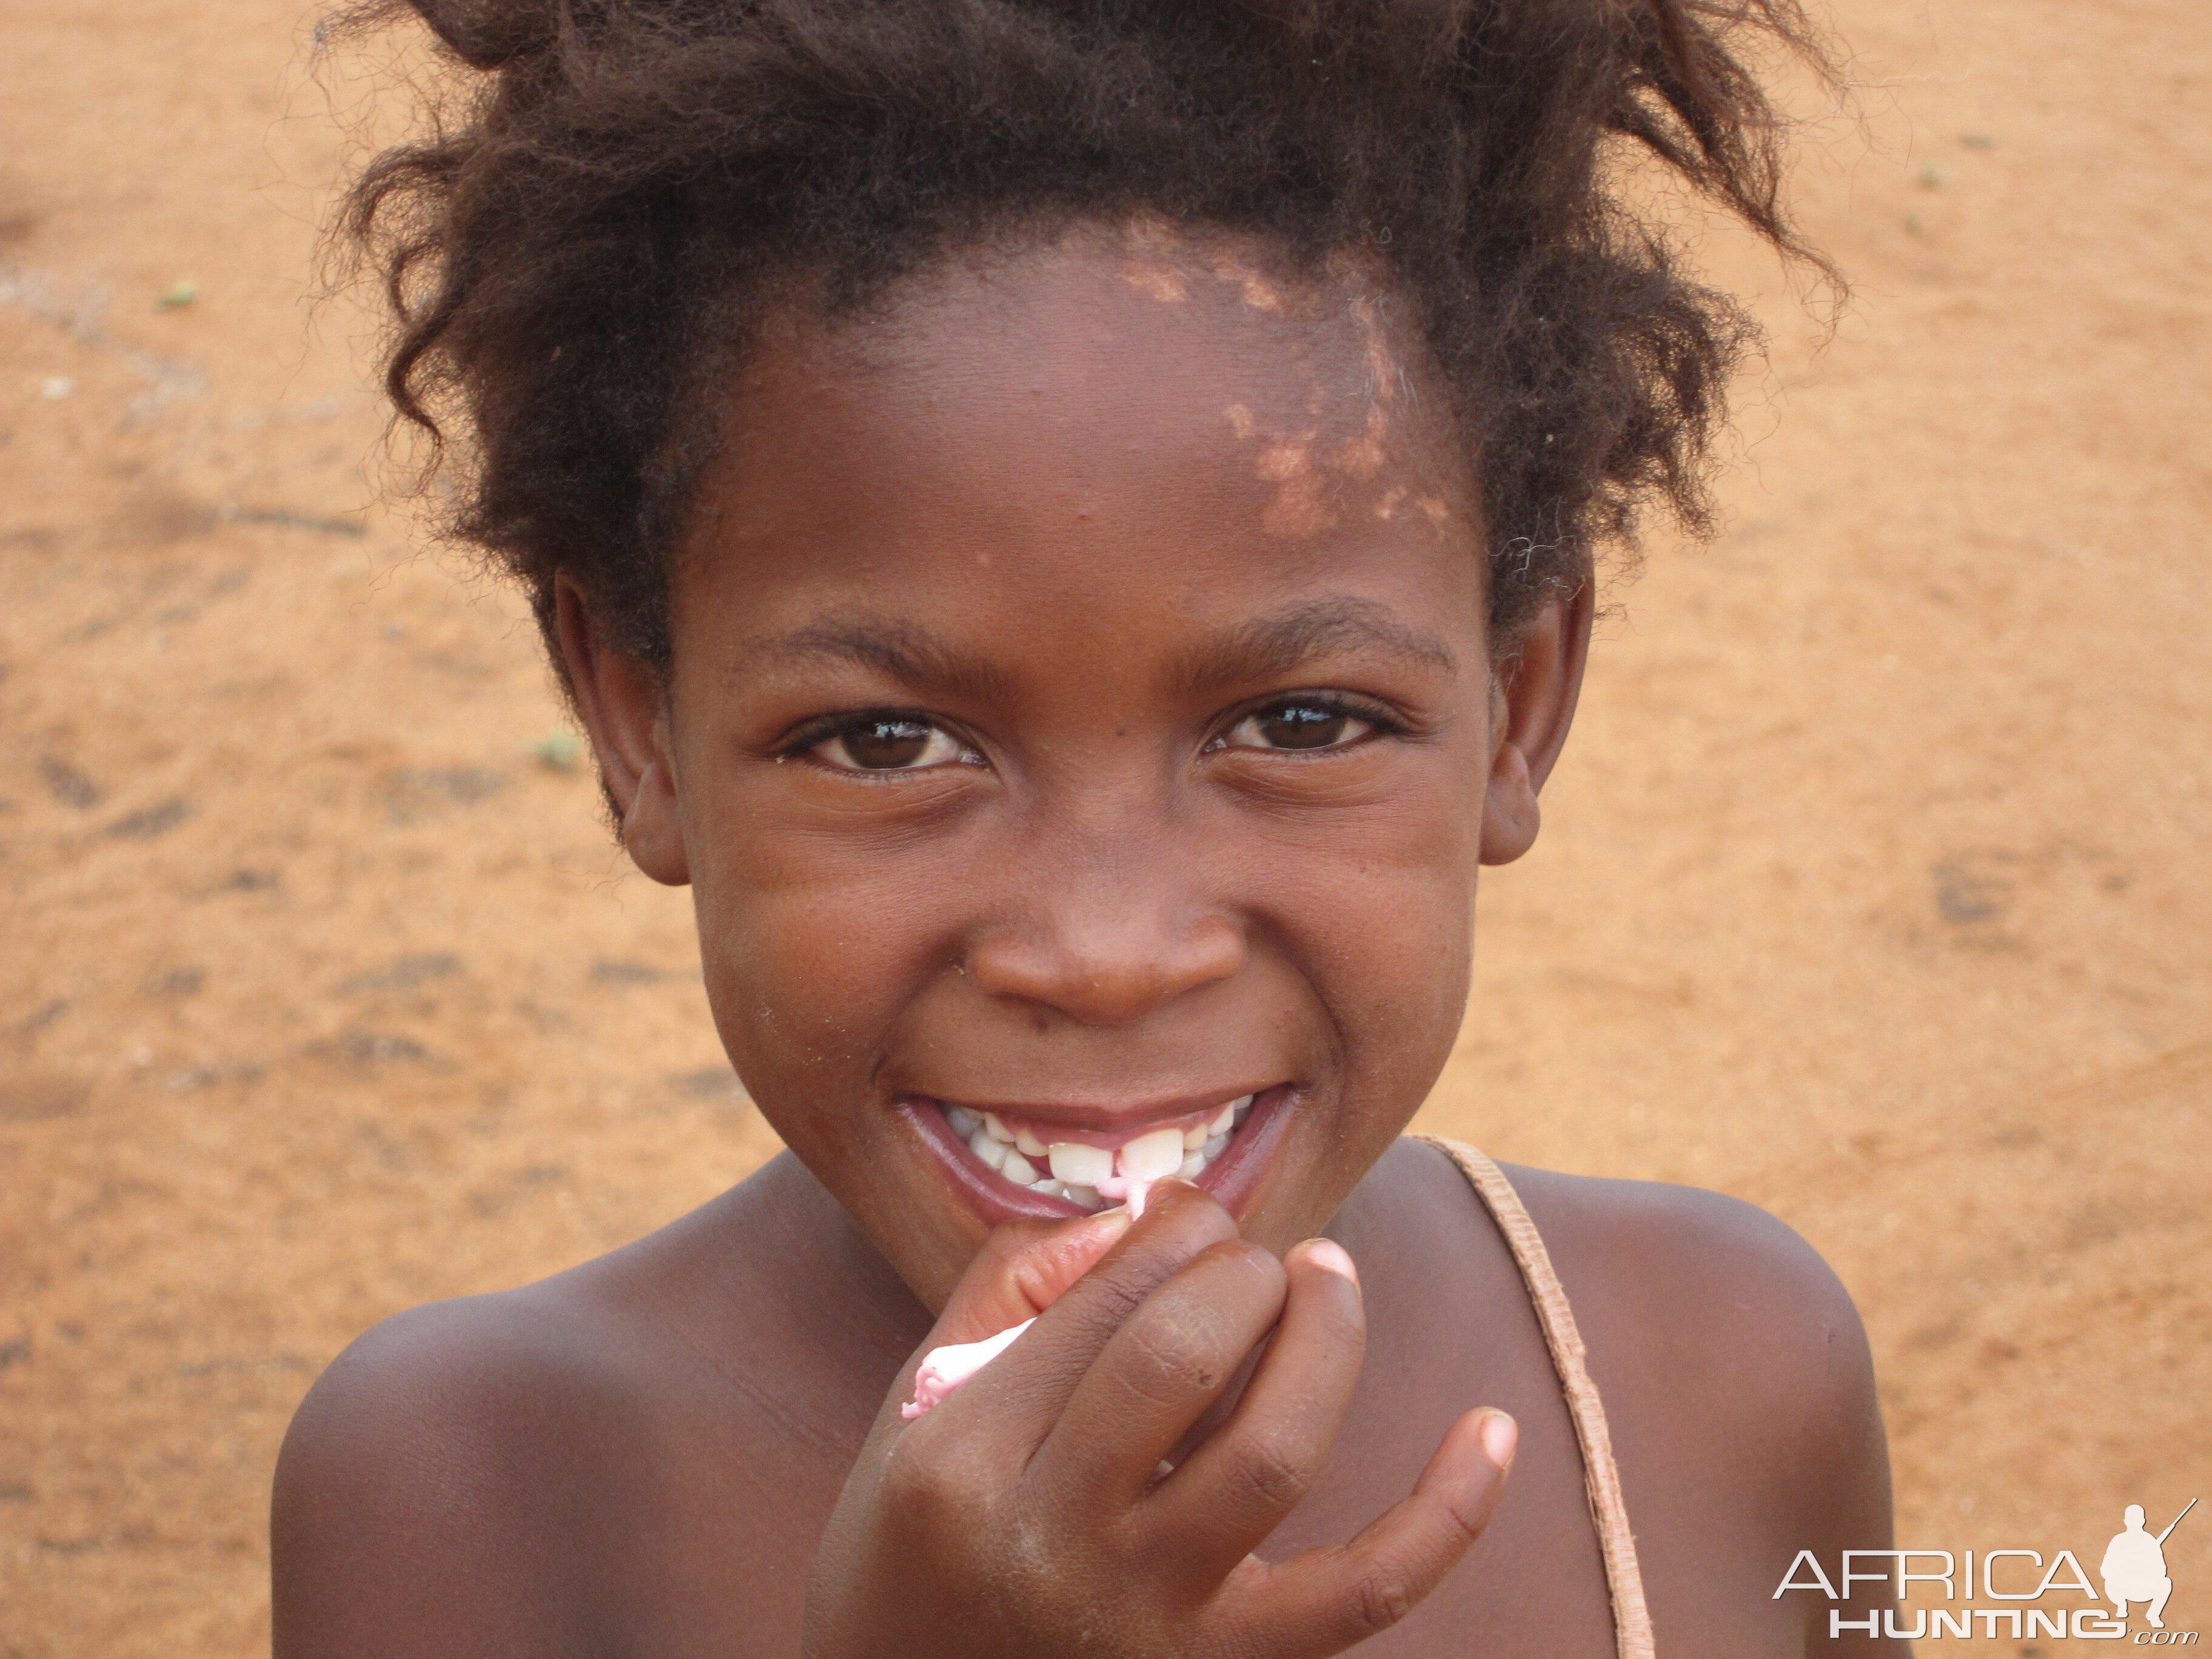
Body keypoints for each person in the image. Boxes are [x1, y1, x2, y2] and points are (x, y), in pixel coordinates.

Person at [272, 1, 1901, 1653]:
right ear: (637, 721)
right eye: (887, 741)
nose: (1108, 957)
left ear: (1519, 694)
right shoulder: (476, 1491)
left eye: (1301, 723)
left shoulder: (1718, 1376)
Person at [2103, 1505, 2176, 1628]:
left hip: (2144, 1588)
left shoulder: (2150, 1540)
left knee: (2166, 1582)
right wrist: (2124, 1569)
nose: (2134, 1523)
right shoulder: (2118, 1540)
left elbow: (2162, 1570)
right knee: (2109, 1582)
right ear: (2125, 1521)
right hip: (2122, 1588)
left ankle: (2153, 1614)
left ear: (2143, 1522)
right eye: (2132, 1520)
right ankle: (2121, 1604)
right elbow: (2105, 1568)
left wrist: (2144, 1567)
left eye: (2136, 1520)